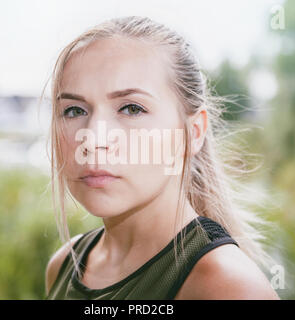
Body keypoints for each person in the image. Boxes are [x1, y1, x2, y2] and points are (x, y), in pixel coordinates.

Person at [44, 16, 279, 300]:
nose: (93, 138)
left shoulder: (227, 286)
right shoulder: (63, 266)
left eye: (131, 108)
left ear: (193, 132)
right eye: (74, 110)